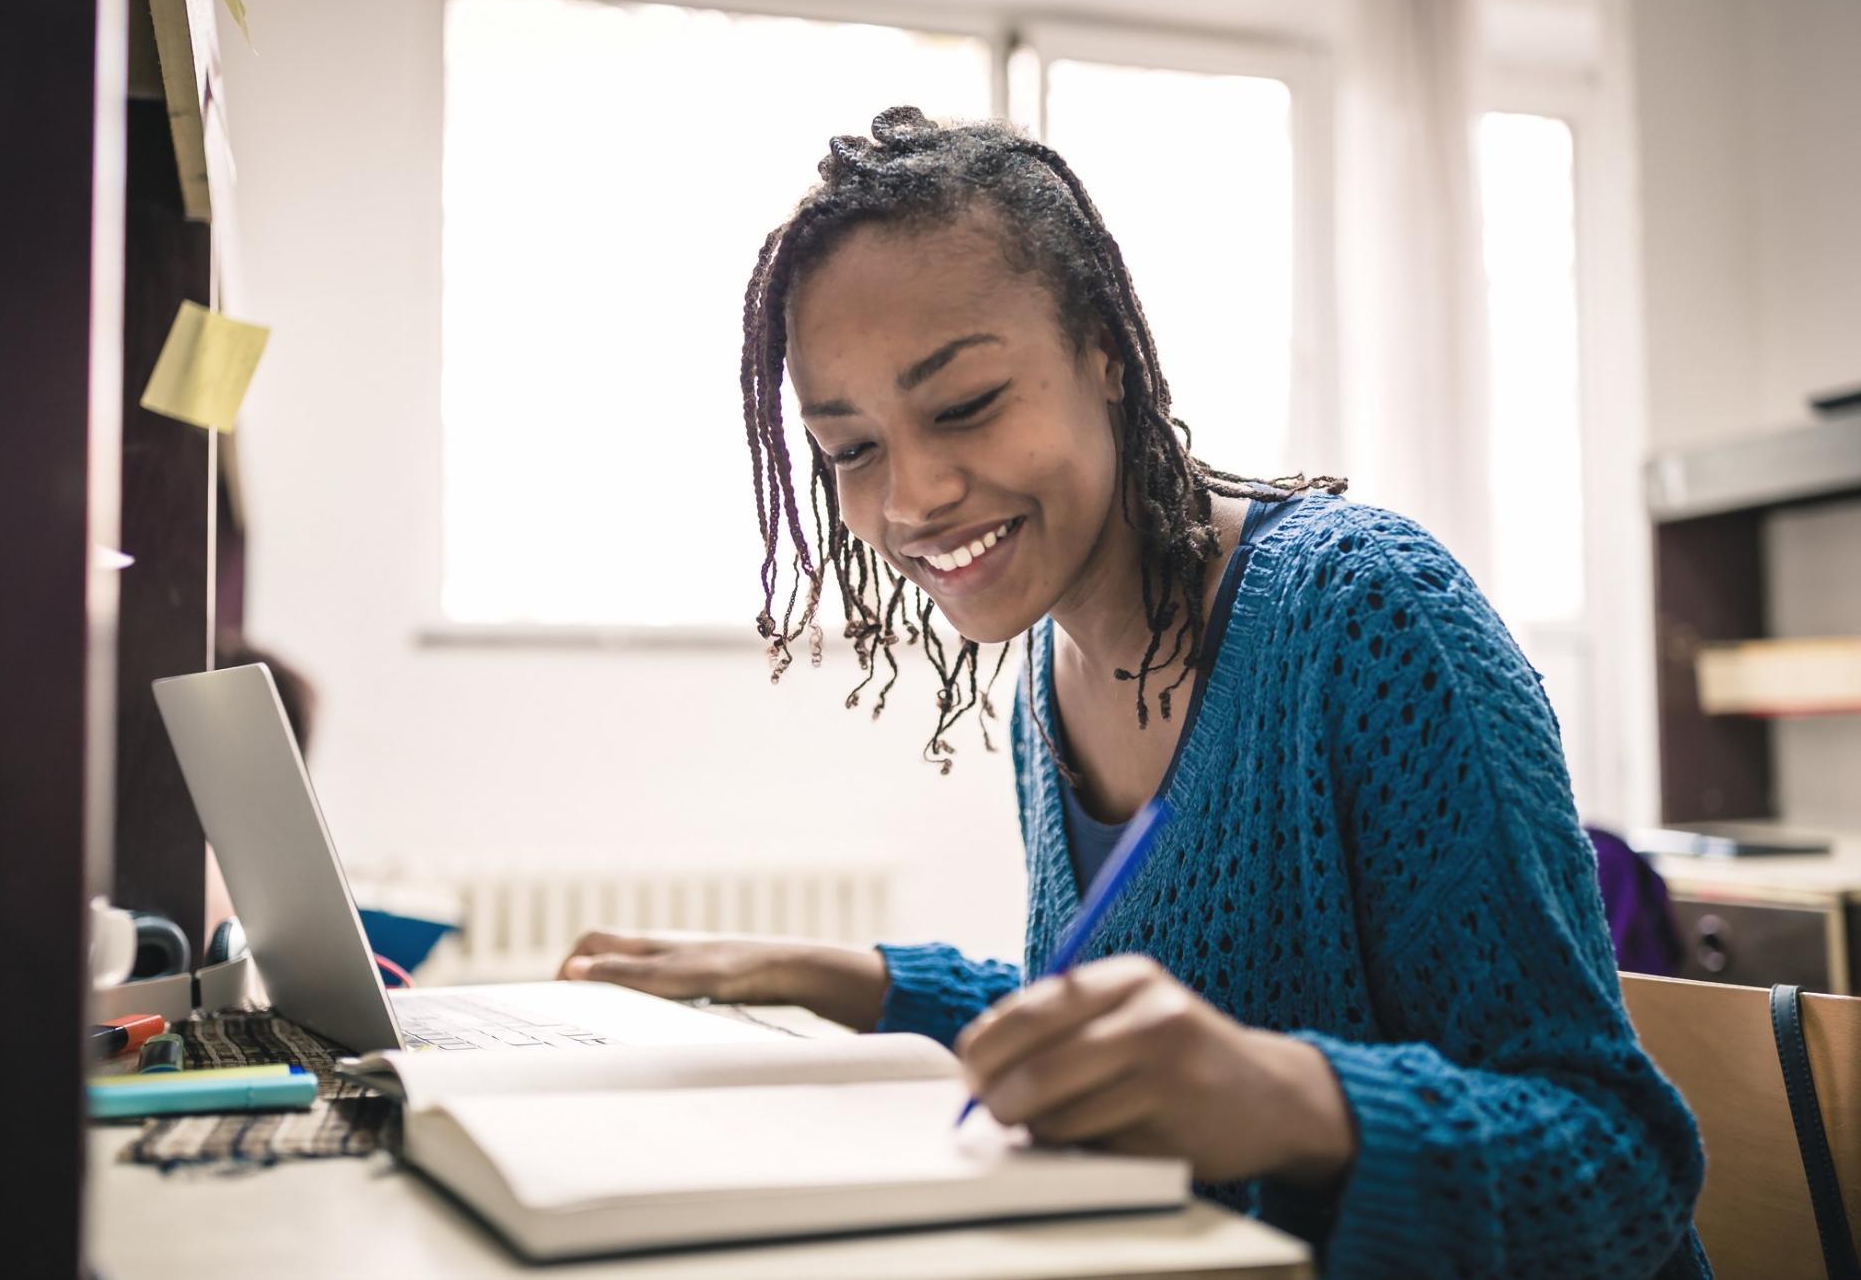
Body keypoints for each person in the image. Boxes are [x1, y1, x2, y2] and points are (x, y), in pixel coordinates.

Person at [560, 107, 1707, 1276]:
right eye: (851, 449)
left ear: (1103, 346)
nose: (911, 496)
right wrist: (821, 972)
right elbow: (1118, 1021)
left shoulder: (1364, 616)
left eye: (963, 406)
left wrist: (1292, 1097)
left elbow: (1618, 1159)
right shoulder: (1045, 686)